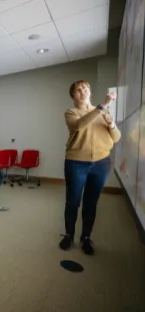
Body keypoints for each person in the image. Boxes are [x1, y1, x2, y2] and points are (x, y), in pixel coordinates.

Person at [59, 80, 121, 255]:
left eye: (85, 87)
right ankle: (69, 235)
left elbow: (116, 138)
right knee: (72, 202)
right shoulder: (71, 113)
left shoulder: (105, 112)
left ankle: (86, 237)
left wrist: (112, 124)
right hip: (76, 163)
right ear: (74, 96)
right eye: (77, 90)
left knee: (91, 203)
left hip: (101, 164)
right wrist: (102, 107)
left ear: (90, 91)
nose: (82, 90)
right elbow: (80, 125)